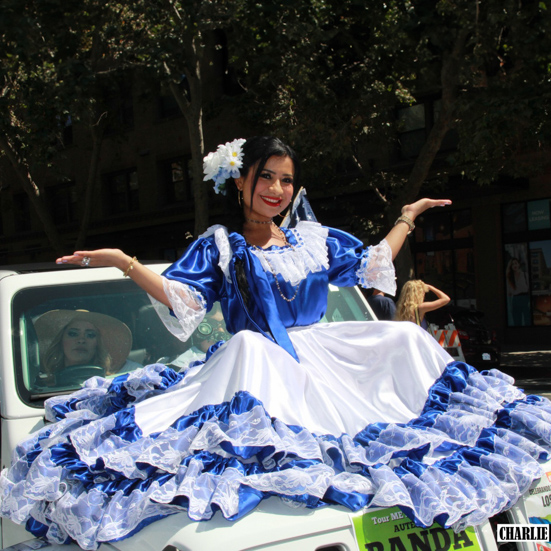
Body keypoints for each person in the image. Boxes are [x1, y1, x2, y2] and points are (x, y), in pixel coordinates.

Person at [1, 136, 549, 550]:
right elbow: (181, 299)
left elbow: (371, 264)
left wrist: (406, 217)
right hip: (259, 364)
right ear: (240, 183)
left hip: (323, 358)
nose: (277, 190)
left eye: (286, 180)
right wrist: (125, 263)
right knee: (250, 347)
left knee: (401, 340)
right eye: (266, 177)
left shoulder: (313, 237)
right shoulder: (221, 245)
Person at [33, 309, 134, 387]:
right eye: (73, 334)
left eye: (90, 335)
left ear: (98, 344)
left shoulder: (113, 383)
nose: (81, 340)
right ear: (60, 342)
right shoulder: (42, 388)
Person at [506, 257, 531, 326]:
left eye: (516, 263)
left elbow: (529, 288)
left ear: (519, 264)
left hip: (525, 297)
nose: (515, 265)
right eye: (512, 264)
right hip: (516, 299)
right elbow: (509, 293)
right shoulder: (510, 278)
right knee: (517, 321)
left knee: (527, 320)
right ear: (511, 267)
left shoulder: (525, 275)